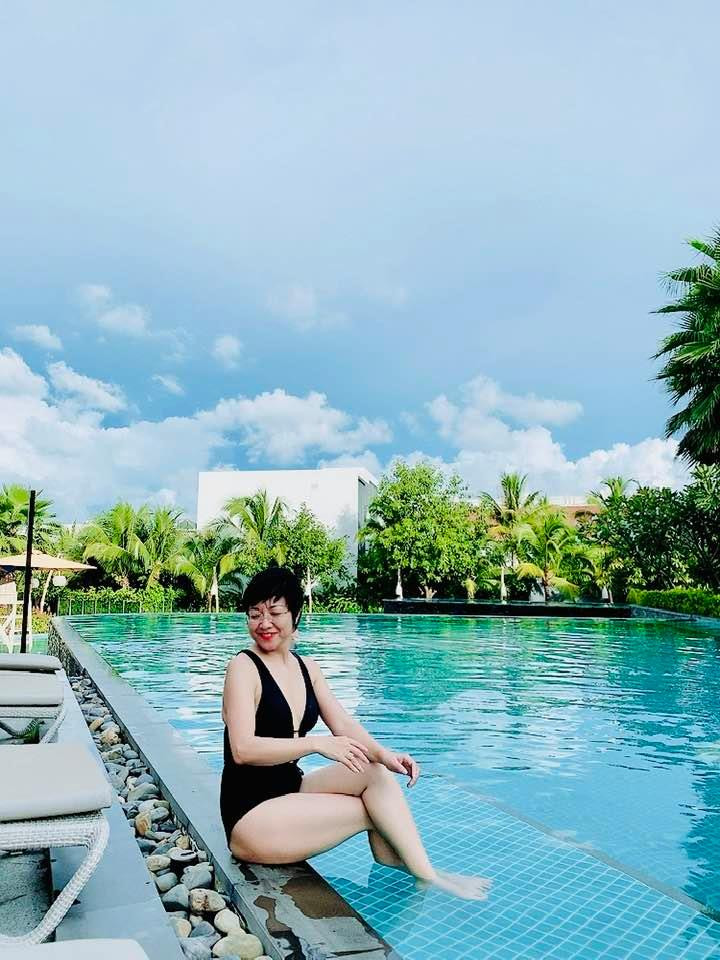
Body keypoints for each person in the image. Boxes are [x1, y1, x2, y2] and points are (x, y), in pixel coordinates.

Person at [220, 566, 491, 900]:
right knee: (375, 811)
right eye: (254, 614)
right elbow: (243, 749)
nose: (264, 623)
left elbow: (344, 725)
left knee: (373, 773)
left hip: (291, 789)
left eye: (275, 613)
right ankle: (427, 877)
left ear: (296, 615)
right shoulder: (243, 668)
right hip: (251, 816)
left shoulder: (307, 668)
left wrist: (385, 755)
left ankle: (417, 869)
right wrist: (315, 744)